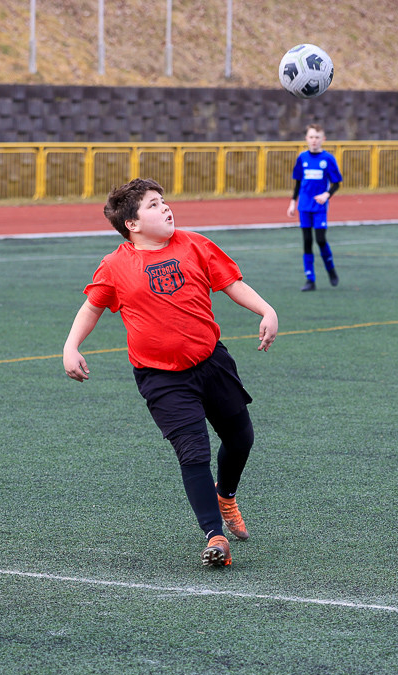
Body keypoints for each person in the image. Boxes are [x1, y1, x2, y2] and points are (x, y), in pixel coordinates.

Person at [63, 178, 278, 568]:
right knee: (193, 452)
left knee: (241, 437)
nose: (165, 208)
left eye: (164, 201)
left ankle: (225, 495)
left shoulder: (195, 244)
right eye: (153, 204)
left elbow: (232, 283)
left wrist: (266, 310)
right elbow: (92, 306)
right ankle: (214, 536)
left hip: (211, 362)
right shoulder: (115, 265)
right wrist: (71, 346)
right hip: (162, 378)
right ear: (132, 223)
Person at [286, 124, 343, 291]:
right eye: (311, 137)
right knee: (307, 241)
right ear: (306, 139)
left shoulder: (328, 159)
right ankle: (310, 279)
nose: (314, 140)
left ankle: (330, 269)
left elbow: (336, 183)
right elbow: (297, 183)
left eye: (317, 137)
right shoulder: (302, 158)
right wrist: (292, 202)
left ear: (323, 139)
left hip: (319, 206)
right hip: (304, 206)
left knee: (320, 239)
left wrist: (327, 194)